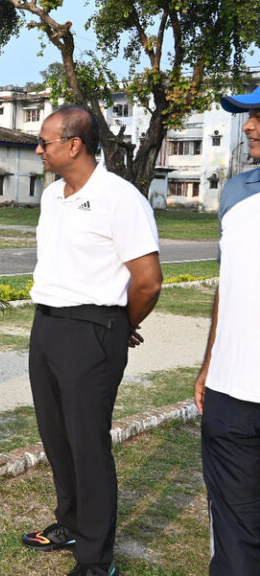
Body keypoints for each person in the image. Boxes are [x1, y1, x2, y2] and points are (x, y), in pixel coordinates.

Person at [20, 104, 162, 576]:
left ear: (74, 144)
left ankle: (95, 559)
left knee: (88, 445)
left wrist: (120, 324)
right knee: (57, 439)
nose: (38, 149)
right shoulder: (52, 196)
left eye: (45, 142)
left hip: (92, 331)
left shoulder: (120, 198)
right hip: (48, 326)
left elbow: (147, 280)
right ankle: (72, 523)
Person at [194, 85, 260, 576]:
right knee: (236, 543)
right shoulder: (237, 193)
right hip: (232, 395)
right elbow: (228, 285)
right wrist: (209, 363)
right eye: (249, 115)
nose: (250, 126)